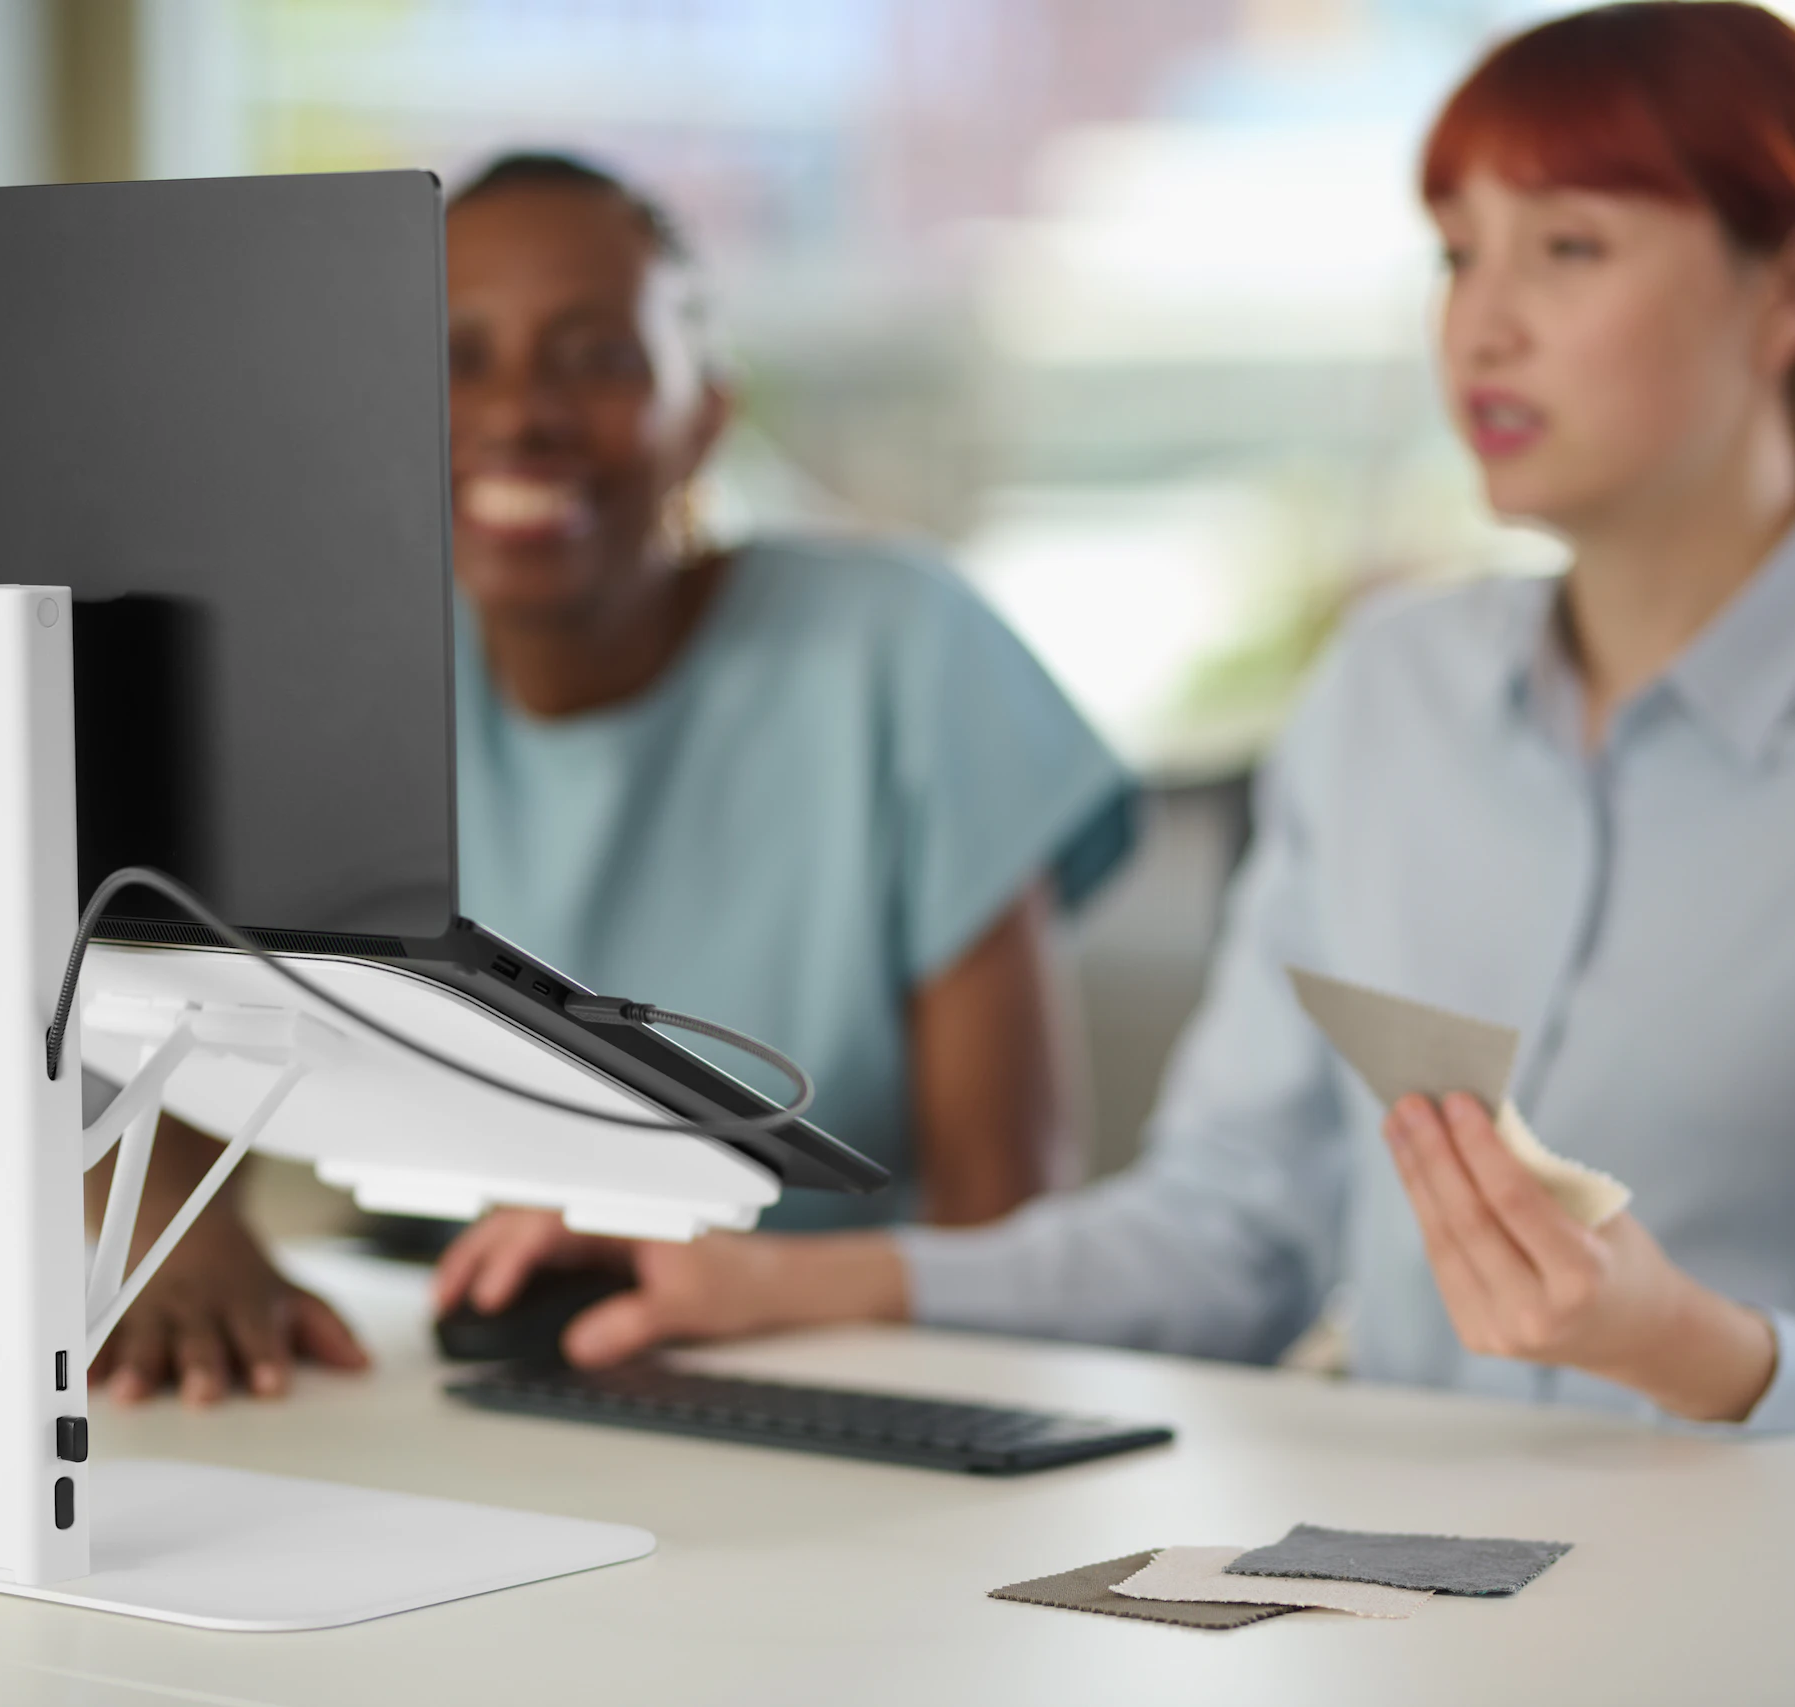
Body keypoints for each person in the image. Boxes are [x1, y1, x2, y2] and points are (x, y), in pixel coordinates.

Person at [435, 2, 1795, 1457]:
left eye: (1571, 247)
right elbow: (1227, 1233)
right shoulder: (1386, 694)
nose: (1482, 323)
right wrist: (764, 1275)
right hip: (1405, 1586)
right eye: (1459, 252)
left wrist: (1677, 1337)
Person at [88, 152, 1137, 1404]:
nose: (520, 411)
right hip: (466, 1371)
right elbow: (148, 1023)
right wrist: (180, 1240)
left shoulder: (900, 653)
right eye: (455, 356)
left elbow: (998, 1209)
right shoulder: (318, 675)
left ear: (705, 416)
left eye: (596, 358)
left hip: (826, 1364)